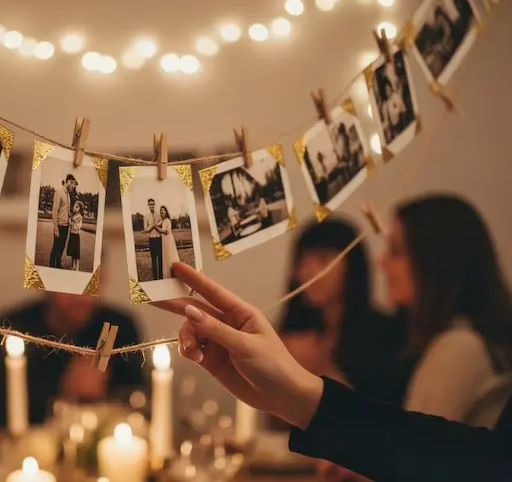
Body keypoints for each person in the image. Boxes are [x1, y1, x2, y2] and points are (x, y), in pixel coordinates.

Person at [157, 262, 512, 482]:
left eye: (397, 250)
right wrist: (298, 397)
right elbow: (475, 459)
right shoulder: (298, 325)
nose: (382, 262)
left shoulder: (452, 347)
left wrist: (307, 387)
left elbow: (471, 463)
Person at [386, 196, 512, 427]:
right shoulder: (471, 340)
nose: (381, 262)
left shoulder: (459, 348)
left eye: (396, 252)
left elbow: (414, 453)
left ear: (435, 260)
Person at [279, 219, 414, 406]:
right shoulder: (294, 331)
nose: (308, 272)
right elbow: (275, 422)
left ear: (351, 266)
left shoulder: (385, 333)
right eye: (302, 262)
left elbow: (381, 419)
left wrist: (318, 368)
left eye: (322, 260)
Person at [0, 290, 146, 427]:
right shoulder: (13, 327)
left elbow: (140, 400)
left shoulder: (117, 325)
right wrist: (61, 390)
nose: (81, 296)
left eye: (92, 283)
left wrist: (104, 392)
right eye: (71, 285)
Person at [49, 175, 76, 269]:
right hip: (59, 225)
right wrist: (56, 229)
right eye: (71, 183)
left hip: (66, 225)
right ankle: (51, 266)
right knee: (56, 247)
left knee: (62, 247)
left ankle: (58, 264)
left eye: (74, 184)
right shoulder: (59, 193)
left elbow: (67, 211)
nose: (73, 185)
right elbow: (54, 211)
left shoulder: (68, 194)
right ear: (67, 182)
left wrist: (72, 217)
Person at [155, 206, 181, 281]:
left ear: (166, 212)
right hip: (164, 240)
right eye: (161, 211)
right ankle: (167, 274)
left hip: (168, 239)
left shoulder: (167, 220)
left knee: (169, 255)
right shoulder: (162, 221)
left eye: (163, 211)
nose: (162, 212)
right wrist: (156, 224)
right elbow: (156, 224)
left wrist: (156, 227)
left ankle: (172, 273)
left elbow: (166, 232)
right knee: (165, 255)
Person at [144, 198, 163, 280]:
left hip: (159, 239)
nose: (151, 206)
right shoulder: (146, 216)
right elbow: (146, 229)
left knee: (160, 259)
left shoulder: (158, 215)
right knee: (154, 260)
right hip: (152, 240)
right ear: (148, 205)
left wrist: (155, 225)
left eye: (153, 204)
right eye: (150, 204)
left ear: (154, 204)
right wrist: (153, 225)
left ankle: (161, 277)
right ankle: (155, 278)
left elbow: (161, 224)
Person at [67, 200, 85, 271]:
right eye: (74, 206)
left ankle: (77, 267)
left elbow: (78, 226)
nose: (75, 208)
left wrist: (71, 223)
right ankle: (73, 266)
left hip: (76, 235)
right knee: (72, 251)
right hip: (72, 234)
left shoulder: (79, 216)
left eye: (77, 207)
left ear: (80, 209)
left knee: (76, 252)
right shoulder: (73, 215)